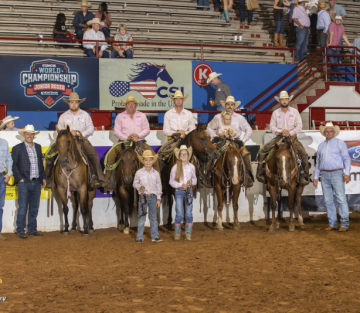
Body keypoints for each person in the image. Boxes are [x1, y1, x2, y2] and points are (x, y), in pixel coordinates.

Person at [46, 92, 105, 189]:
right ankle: (49, 179)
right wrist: (68, 134)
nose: (74, 104)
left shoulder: (85, 115)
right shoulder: (63, 116)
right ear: (68, 103)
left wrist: (80, 134)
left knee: (93, 153)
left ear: (79, 103)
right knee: (50, 155)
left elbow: (91, 128)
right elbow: (60, 130)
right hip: (66, 142)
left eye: (76, 102)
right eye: (72, 102)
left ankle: (98, 177)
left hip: (81, 140)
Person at [256, 91, 310, 186]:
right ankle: (260, 174)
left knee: (304, 155)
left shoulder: (295, 112)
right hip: (279, 138)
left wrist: (290, 132)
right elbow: (272, 127)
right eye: (282, 99)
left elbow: (299, 126)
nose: (284, 101)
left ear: (289, 100)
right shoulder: (275, 113)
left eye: (286, 99)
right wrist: (281, 131)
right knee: (263, 151)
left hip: (292, 138)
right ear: (279, 101)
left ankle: (305, 176)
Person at [207, 96, 254, 187]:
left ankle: (248, 176)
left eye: (231, 104)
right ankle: (209, 177)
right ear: (225, 105)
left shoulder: (239, 118)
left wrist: (243, 140)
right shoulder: (218, 117)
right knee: (212, 154)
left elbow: (249, 130)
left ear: (234, 106)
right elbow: (209, 127)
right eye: (228, 104)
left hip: (235, 141)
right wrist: (215, 136)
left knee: (245, 154)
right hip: (221, 141)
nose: (229, 106)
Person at [313, 122, 351, 232]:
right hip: (324, 174)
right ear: (324, 133)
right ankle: (332, 224)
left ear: (334, 132)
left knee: (341, 198)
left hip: (337, 173)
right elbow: (318, 163)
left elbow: (346, 159)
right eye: (327, 131)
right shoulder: (321, 146)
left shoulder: (340, 143)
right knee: (328, 200)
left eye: (330, 131)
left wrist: (347, 173)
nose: (328, 133)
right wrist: (316, 177)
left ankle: (344, 224)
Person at [12, 125, 46, 239]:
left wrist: (43, 178)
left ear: (34, 135)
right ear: (24, 135)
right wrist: (20, 178)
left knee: (34, 207)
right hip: (24, 182)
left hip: (36, 182)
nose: (29, 136)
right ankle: (20, 230)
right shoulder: (17, 148)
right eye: (27, 133)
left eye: (31, 134)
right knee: (22, 207)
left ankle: (32, 229)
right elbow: (14, 165)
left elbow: (40, 165)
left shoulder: (38, 147)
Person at [133, 150, 162, 243]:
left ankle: (155, 235)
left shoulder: (156, 173)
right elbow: (135, 183)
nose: (148, 162)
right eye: (146, 160)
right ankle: (139, 237)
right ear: (143, 161)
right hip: (143, 197)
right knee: (141, 218)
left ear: (153, 161)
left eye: (150, 160)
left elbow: (159, 186)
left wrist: (158, 199)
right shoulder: (139, 172)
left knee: (153, 218)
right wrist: (140, 187)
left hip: (153, 197)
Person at [169, 145, 197, 241]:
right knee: (179, 213)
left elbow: (195, 179)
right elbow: (171, 181)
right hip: (179, 191)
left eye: (185, 154)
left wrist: (191, 181)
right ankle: (177, 233)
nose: (184, 155)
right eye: (182, 154)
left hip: (189, 191)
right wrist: (181, 184)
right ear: (179, 156)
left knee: (189, 213)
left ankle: (188, 234)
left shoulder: (192, 167)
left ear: (188, 155)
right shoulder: (175, 167)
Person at [327, 15, 352, 82]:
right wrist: (330, 43)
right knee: (333, 62)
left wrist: (349, 43)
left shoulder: (342, 26)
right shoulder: (331, 25)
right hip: (331, 47)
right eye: (336, 19)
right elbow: (331, 33)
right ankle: (339, 74)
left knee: (334, 63)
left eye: (339, 20)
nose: (338, 20)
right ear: (334, 20)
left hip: (337, 47)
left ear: (341, 21)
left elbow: (344, 35)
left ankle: (332, 78)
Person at [0, 132, 12, 240]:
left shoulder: (4, 143)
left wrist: (9, 174)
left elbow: (9, 159)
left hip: (1, 177)